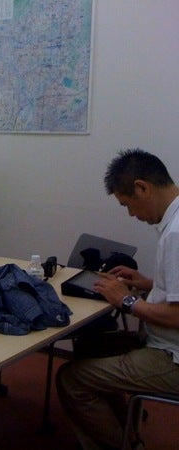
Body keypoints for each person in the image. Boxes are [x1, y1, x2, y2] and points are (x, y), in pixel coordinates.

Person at [56, 148, 179, 450]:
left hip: (171, 357)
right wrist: (147, 284)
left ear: (142, 188)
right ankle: (126, 436)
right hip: (164, 343)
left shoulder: (176, 233)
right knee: (91, 349)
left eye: (127, 205)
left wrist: (127, 301)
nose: (131, 215)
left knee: (72, 380)